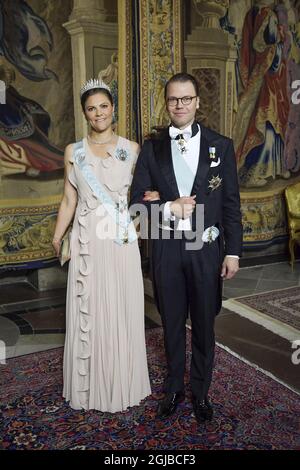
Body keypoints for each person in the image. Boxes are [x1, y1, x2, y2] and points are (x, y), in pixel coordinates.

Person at [130, 73, 242, 424]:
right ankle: (174, 388)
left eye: (186, 98)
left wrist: (233, 252)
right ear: (167, 103)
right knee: (172, 321)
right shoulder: (152, 148)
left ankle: (201, 391)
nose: (180, 105)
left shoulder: (220, 147)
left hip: (205, 246)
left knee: (205, 323)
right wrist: (167, 206)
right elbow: (136, 204)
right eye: (173, 99)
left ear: (197, 102)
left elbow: (230, 204)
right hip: (165, 246)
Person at [52, 79, 152, 412]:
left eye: (104, 106)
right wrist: (57, 234)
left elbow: (142, 195)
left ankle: (122, 383)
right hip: (86, 239)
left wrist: (138, 220)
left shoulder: (133, 149)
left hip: (120, 238)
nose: (98, 113)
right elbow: (69, 198)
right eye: (91, 108)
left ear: (113, 109)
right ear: (85, 113)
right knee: (90, 308)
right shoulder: (73, 151)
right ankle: (89, 386)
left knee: (121, 306)